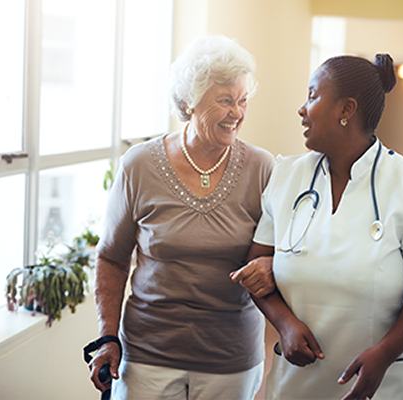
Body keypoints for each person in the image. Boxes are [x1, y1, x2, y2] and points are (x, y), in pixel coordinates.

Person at [235, 54, 403, 400]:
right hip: (298, 384)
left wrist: (384, 354)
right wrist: (285, 325)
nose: (301, 110)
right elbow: (256, 270)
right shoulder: (287, 176)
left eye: (312, 96)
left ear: (346, 109)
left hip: (385, 385)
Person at [88, 34, 276, 400]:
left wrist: (272, 264)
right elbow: (112, 256)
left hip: (231, 358)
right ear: (190, 101)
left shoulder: (261, 167)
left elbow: (284, 251)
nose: (237, 113)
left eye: (242, 100)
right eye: (225, 101)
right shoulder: (139, 165)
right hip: (147, 355)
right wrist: (108, 335)